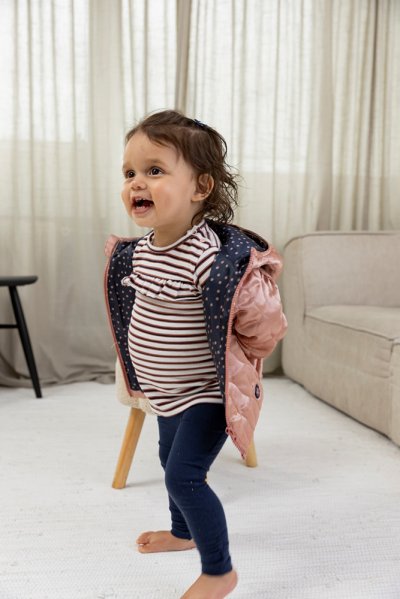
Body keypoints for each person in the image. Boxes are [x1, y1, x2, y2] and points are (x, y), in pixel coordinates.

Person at [104, 109, 287, 598]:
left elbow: (262, 324)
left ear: (200, 187)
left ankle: (219, 571)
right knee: (169, 461)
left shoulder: (211, 256)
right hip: (167, 392)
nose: (136, 182)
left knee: (185, 476)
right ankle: (183, 532)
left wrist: (253, 308)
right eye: (129, 172)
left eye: (154, 170)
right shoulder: (142, 250)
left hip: (207, 391)